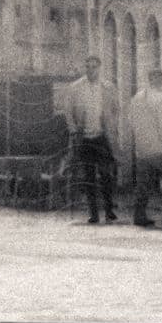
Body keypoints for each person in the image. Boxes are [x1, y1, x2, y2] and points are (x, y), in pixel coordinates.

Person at [64, 56, 117, 224]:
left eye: (94, 67)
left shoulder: (108, 87)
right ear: (84, 68)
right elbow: (68, 111)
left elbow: (116, 108)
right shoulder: (75, 88)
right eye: (88, 67)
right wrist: (73, 130)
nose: (90, 70)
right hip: (84, 137)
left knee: (106, 174)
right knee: (89, 177)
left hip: (102, 136)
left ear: (99, 68)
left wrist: (111, 125)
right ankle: (93, 213)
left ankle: (109, 209)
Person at [128, 68, 162, 227]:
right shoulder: (159, 97)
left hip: (142, 148)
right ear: (158, 80)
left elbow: (131, 122)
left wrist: (138, 142)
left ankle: (139, 216)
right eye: (160, 79)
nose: (161, 81)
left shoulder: (137, 97)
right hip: (158, 147)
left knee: (143, 184)